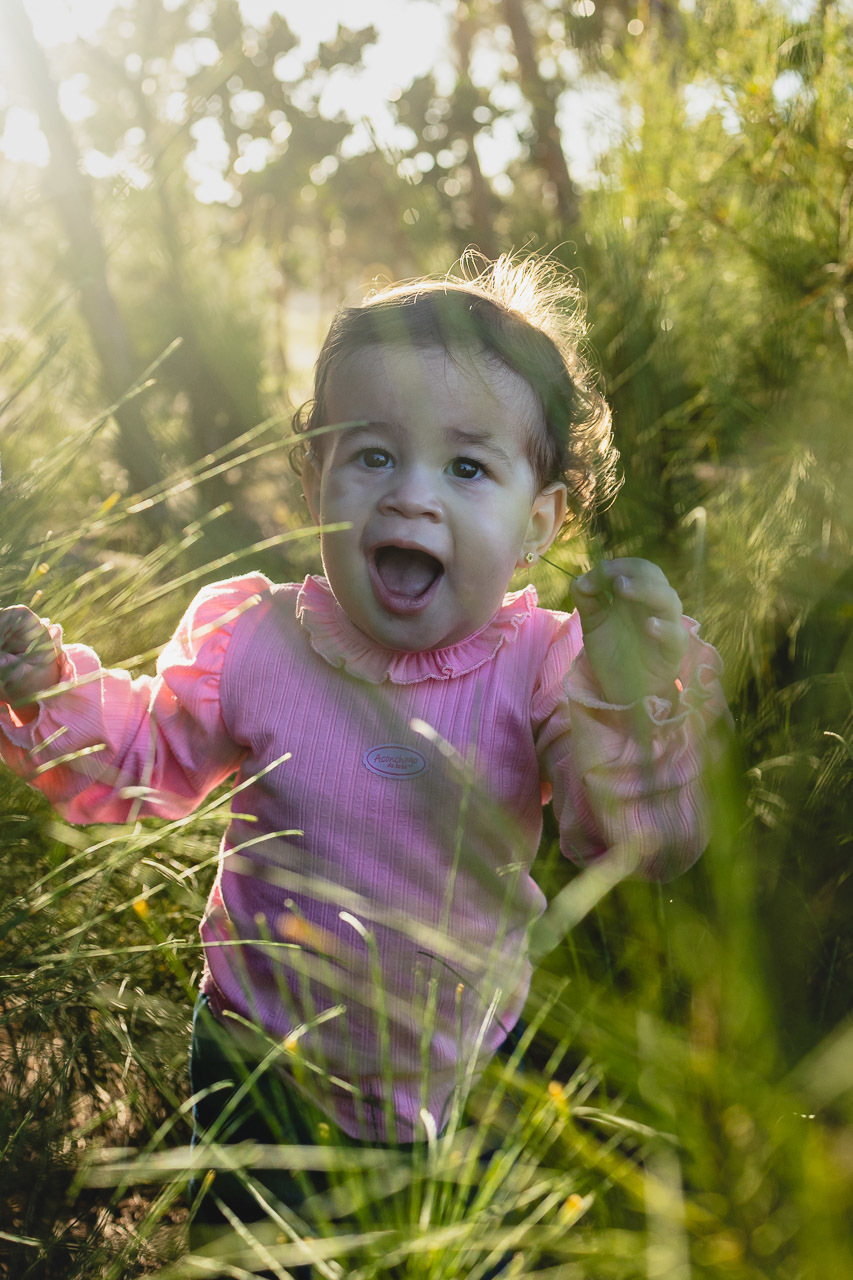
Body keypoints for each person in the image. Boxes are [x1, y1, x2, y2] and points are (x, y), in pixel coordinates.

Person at [0, 255, 728, 1271]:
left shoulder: (544, 670)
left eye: (466, 467)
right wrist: (48, 690)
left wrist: (627, 688)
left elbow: (639, 841)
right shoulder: (254, 642)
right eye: (372, 455)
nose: (411, 498)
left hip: (457, 1066)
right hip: (260, 1056)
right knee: (257, 1253)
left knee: (421, 1255)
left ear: (539, 521)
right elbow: (140, 756)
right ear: (314, 478)